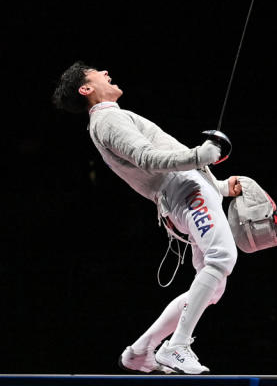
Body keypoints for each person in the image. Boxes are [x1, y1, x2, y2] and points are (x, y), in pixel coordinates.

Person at [52, 62, 243, 375]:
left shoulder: (112, 116)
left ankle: (141, 351)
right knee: (221, 258)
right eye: (95, 72)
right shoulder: (107, 118)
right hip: (182, 190)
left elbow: (157, 160)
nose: (104, 71)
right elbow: (147, 158)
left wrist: (220, 186)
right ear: (85, 89)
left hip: (187, 188)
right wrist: (199, 155)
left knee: (213, 285)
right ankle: (177, 346)